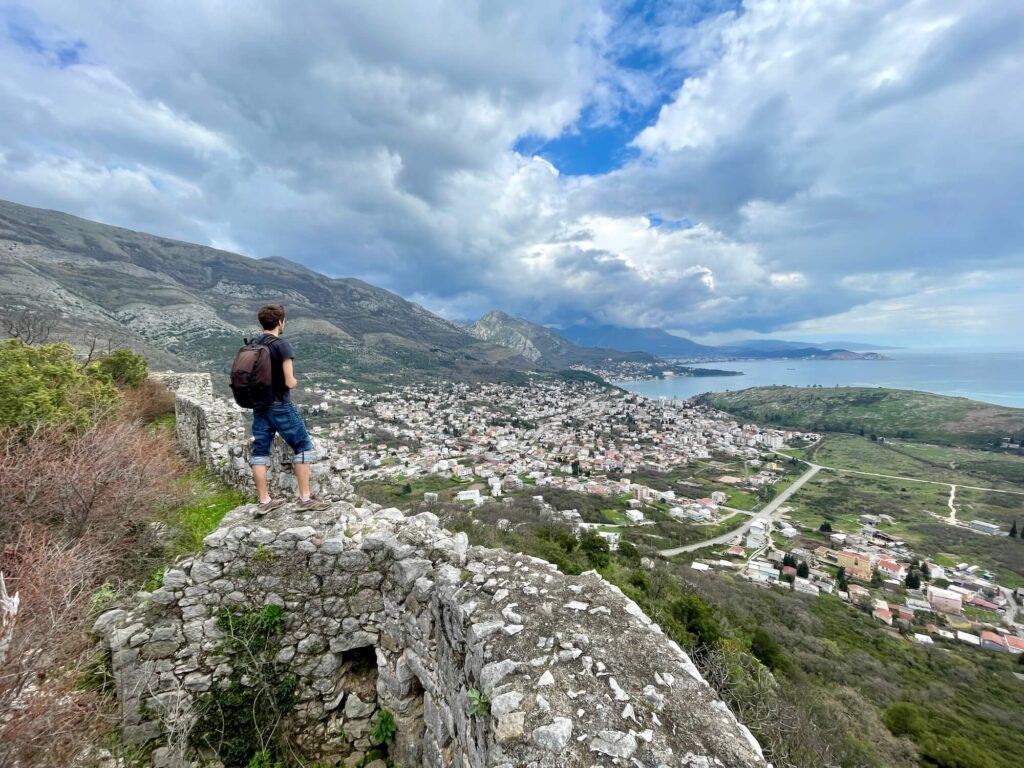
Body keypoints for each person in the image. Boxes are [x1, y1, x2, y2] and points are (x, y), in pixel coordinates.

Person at [248, 304, 330, 515]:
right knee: (302, 445)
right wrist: (296, 380)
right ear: (281, 322)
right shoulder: (281, 346)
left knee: (259, 452)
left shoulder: (253, 344)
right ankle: (304, 498)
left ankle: (264, 501)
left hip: (259, 407)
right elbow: (290, 381)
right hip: (279, 405)